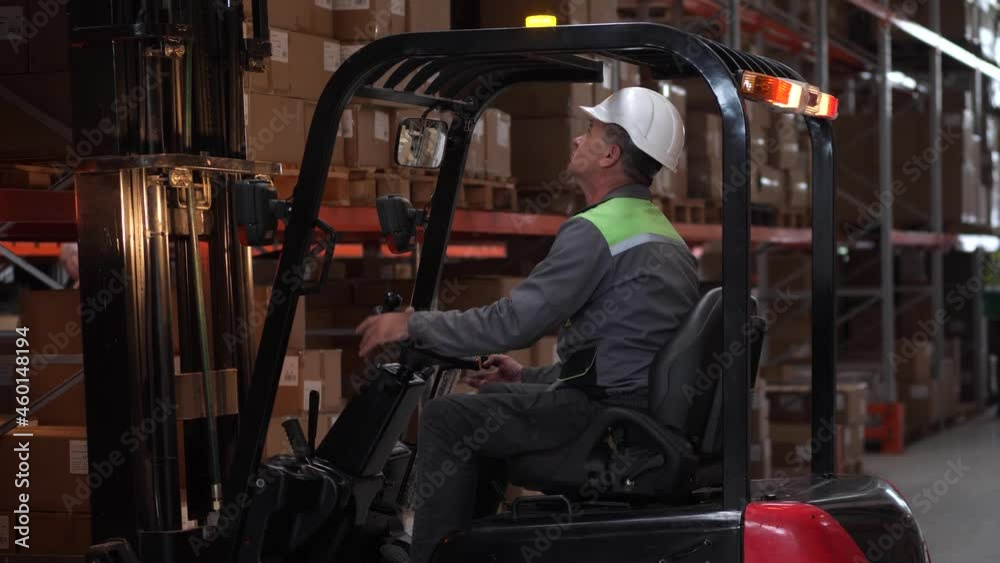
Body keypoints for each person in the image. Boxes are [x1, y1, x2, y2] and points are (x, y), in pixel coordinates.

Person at [355, 87, 700, 563]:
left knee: (446, 418)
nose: (578, 140)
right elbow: (626, 352)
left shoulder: (598, 230)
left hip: (605, 420)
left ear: (611, 154)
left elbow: (514, 322)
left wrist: (413, 326)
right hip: (638, 412)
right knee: (496, 398)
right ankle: (478, 547)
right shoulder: (664, 235)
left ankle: (436, 557)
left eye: (591, 133)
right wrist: (526, 377)